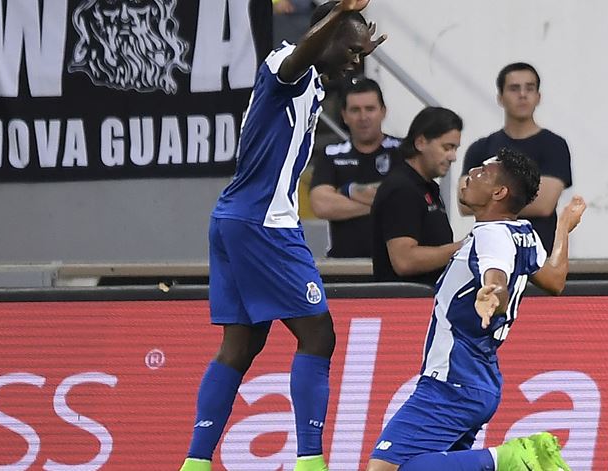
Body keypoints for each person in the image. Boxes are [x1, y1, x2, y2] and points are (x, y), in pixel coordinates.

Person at [179, 2, 385, 470]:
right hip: (264, 224)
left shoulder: (312, 81)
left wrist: (348, 35)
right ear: (325, 36)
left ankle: (195, 462)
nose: (356, 61)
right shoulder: (286, 64)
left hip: (236, 219)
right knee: (318, 334)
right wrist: (339, 15)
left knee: (242, 345)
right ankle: (311, 462)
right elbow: (302, 55)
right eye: (351, 51)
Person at [366, 148, 586, 471]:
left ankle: (506, 459)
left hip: (452, 380)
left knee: (387, 467)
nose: (470, 175)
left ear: (499, 193)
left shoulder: (491, 234)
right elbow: (554, 279)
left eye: (483, 173)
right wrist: (563, 227)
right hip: (479, 381)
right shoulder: (521, 233)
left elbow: (495, 278)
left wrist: (493, 295)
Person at [459, 62, 572, 254]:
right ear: (500, 97)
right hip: (489, 252)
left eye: (530, 88)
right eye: (514, 88)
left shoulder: (554, 146)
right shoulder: (480, 148)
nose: (522, 95)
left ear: (538, 97)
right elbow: (465, 201)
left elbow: (544, 205)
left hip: (537, 256)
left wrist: (487, 200)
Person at [371, 107, 464, 286]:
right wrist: (462, 248)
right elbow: (404, 261)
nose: (453, 157)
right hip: (405, 306)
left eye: (455, 148)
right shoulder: (401, 189)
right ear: (420, 142)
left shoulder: (428, 187)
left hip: (425, 301)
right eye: (447, 147)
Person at [310, 78, 402, 257]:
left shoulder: (403, 151)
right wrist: (384, 205)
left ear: (383, 112)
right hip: (344, 264)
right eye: (355, 110)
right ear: (344, 115)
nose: (363, 117)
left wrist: (345, 193)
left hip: (395, 264)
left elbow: (408, 200)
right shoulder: (331, 154)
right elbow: (321, 205)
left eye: (370, 109)